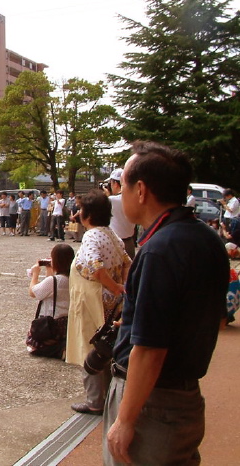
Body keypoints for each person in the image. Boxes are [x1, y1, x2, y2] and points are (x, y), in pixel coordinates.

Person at [104, 141, 229, 465]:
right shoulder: (206, 238)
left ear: (141, 190)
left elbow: (149, 348)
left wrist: (126, 419)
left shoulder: (160, 249)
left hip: (151, 403)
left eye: (125, 187)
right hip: (184, 396)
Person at [66, 189, 131, 416]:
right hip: (111, 303)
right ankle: (108, 396)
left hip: (94, 300)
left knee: (90, 348)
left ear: (89, 215)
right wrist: (121, 287)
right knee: (106, 348)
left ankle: (95, 400)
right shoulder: (111, 234)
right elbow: (127, 262)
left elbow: (95, 265)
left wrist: (113, 286)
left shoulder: (91, 236)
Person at [26, 244, 75, 358]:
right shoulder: (72, 278)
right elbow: (49, 290)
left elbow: (34, 293)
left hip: (52, 325)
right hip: (68, 323)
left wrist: (35, 275)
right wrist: (50, 272)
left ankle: (58, 350)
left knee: (33, 343)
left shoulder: (55, 280)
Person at [105, 168, 137, 259]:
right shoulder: (134, 198)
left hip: (115, 242)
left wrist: (107, 195)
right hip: (130, 242)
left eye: (111, 183)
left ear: (115, 184)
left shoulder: (111, 200)